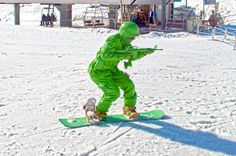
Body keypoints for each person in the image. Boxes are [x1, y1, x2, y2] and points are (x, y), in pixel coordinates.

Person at [88, 21, 155, 122]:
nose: (133, 38)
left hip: (112, 69)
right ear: (125, 33)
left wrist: (144, 52)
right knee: (113, 92)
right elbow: (105, 56)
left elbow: (132, 55)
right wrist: (123, 55)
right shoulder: (112, 41)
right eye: (132, 36)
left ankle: (129, 109)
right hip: (99, 71)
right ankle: (99, 111)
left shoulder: (125, 42)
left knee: (129, 85)